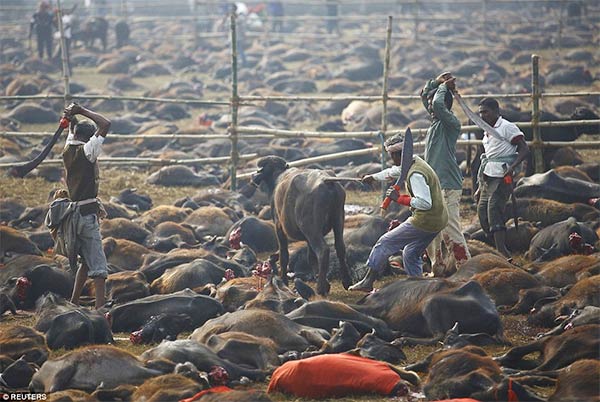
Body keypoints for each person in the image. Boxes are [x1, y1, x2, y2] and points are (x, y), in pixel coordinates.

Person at [349, 132, 449, 292]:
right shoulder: (415, 162)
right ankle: (419, 287)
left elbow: (425, 203)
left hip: (425, 220)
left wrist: (399, 198)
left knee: (384, 242)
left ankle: (368, 281)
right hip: (439, 220)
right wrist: (373, 177)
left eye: (391, 156)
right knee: (410, 253)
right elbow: (393, 172)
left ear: (398, 155)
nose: (391, 159)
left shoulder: (416, 174)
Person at [62, 103, 111, 309]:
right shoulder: (87, 151)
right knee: (99, 267)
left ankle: (74, 301)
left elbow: (72, 130)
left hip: (74, 215)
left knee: (85, 260)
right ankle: (100, 310)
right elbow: (105, 123)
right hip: (86, 215)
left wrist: (70, 117)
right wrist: (81, 111)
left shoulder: (68, 148)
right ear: (89, 138)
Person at [421, 72, 471, 273]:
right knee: (432, 228)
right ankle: (437, 268)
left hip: (448, 184)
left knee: (450, 228)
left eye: (434, 102)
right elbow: (425, 96)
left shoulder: (451, 123)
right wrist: (436, 83)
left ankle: (466, 269)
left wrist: (443, 88)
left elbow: (439, 105)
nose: (430, 105)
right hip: (435, 184)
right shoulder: (436, 122)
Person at [474, 97, 530, 259]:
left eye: (486, 112)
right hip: (487, 175)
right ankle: (496, 246)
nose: (483, 115)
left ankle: (502, 252)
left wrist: (512, 168)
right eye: (480, 113)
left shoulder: (507, 127)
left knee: (494, 209)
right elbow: (488, 157)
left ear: (496, 112)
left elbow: (525, 149)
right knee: (482, 212)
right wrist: (479, 186)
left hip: (502, 174)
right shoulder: (486, 131)